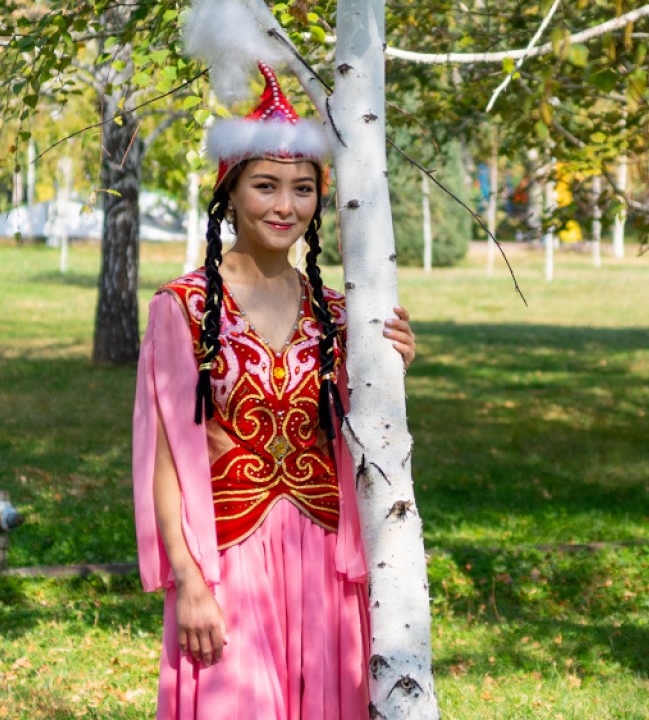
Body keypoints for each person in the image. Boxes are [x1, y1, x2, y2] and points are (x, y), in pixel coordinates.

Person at [132, 63, 415, 720]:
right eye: (265, 186)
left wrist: (393, 363)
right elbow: (164, 460)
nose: (285, 206)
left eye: (303, 189)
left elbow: (368, 434)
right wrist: (188, 580)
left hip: (325, 566)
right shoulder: (183, 307)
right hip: (227, 561)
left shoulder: (340, 312)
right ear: (230, 193)